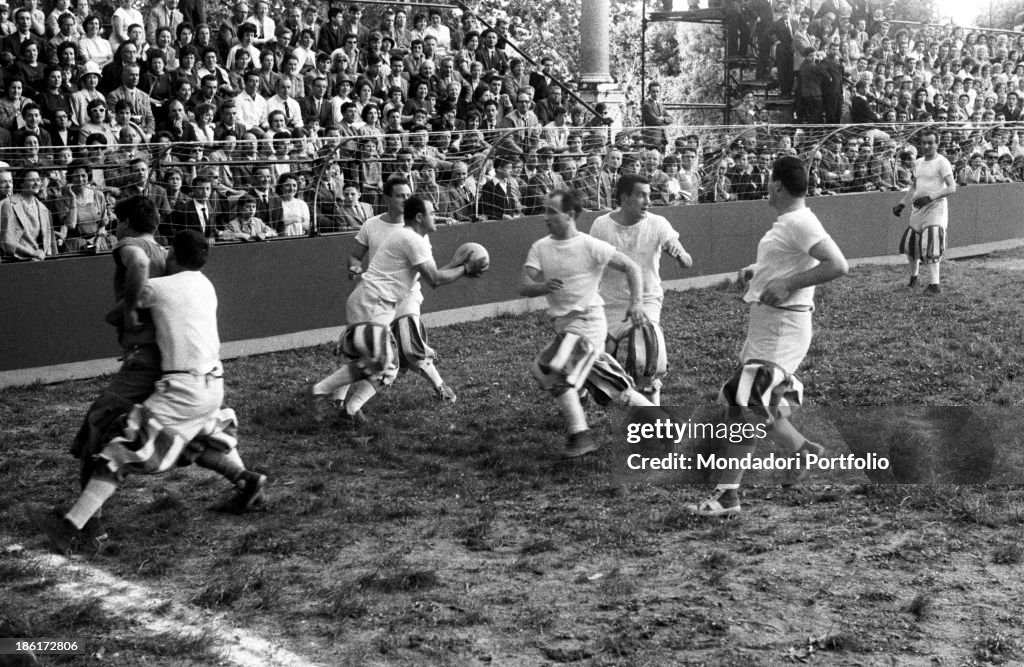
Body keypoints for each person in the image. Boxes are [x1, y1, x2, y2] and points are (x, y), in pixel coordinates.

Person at [31, 230, 267, 554]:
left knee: (119, 449)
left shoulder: (160, 287)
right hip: (214, 383)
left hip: (183, 388)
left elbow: (120, 309)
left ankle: (73, 527)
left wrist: (123, 310)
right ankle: (246, 479)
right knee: (196, 440)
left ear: (171, 254)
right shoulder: (206, 285)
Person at [686, 156, 848, 516]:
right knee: (747, 402)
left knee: (744, 405)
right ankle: (805, 451)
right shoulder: (792, 222)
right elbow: (789, 261)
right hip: (768, 326)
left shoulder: (800, 222)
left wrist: (789, 283)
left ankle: (728, 496)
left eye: (769, 182)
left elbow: (838, 265)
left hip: (782, 328)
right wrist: (757, 272)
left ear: (775, 185)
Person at [308, 195, 485, 424]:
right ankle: (320, 394)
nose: (436, 216)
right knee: (382, 362)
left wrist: (458, 266)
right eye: (432, 213)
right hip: (371, 302)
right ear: (419, 217)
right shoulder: (411, 239)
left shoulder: (413, 238)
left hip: (374, 303)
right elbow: (435, 280)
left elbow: (430, 273)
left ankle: (347, 411)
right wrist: (466, 267)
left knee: (386, 367)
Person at [520, 188, 666, 458]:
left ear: (570, 215)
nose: (546, 217)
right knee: (611, 390)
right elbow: (524, 285)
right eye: (545, 211)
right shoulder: (540, 247)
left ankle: (581, 435)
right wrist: (541, 287)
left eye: (552, 211)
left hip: (588, 325)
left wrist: (636, 303)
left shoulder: (589, 245)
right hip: (565, 326)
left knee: (550, 366)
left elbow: (631, 267)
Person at [330, 176, 459, 408]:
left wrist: (459, 267)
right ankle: (339, 401)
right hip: (377, 295)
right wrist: (354, 266)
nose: (405, 199)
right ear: (386, 198)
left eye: (407, 195)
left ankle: (441, 388)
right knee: (358, 350)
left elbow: (430, 273)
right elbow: (354, 255)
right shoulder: (372, 225)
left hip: (406, 296)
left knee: (410, 349)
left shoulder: (418, 231)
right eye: (399, 195)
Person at [590, 175, 692, 406]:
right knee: (598, 363)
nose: (648, 200)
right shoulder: (601, 225)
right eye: (641, 195)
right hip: (610, 304)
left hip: (646, 301)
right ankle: (592, 400)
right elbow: (592, 263)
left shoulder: (658, 224)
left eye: (649, 194)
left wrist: (679, 254)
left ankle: (652, 413)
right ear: (624, 198)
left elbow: (686, 259)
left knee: (648, 358)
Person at [892, 129, 956, 295]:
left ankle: (935, 284)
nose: (927, 146)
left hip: (936, 208)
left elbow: (952, 187)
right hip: (918, 209)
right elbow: (914, 185)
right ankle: (914, 277)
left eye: (930, 142)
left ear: (937, 144)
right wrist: (902, 203)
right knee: (911, 245)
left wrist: (931, 197)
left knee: (931, 243)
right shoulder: (919, 162)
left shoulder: (942, 162)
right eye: (924, 142)